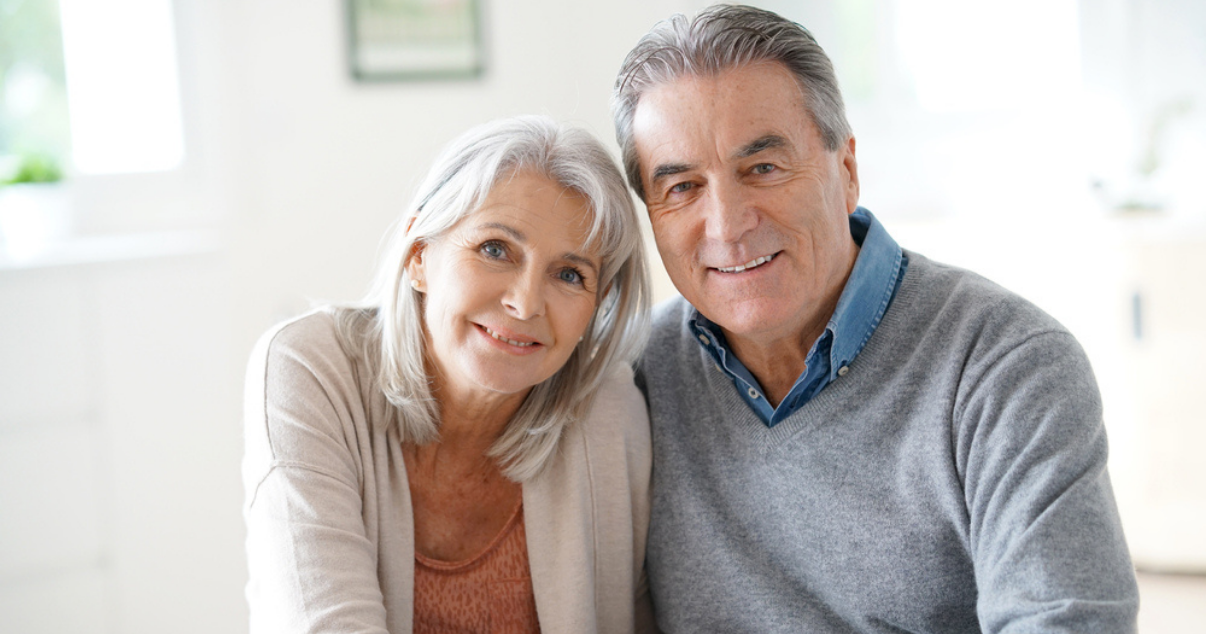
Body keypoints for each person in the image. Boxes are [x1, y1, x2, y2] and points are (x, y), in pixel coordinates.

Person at [612, 5, 1138, 633]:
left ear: (847, 170)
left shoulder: (1006, 367)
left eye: (763, 168)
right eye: (682, 188)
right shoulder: (630, 375)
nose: (727, 225)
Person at [242, 115, 655, 633]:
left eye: (569, 274)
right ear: (419, 255)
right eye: (495, 249)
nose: (525, 303)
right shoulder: (310, 369)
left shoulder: (610, 410)